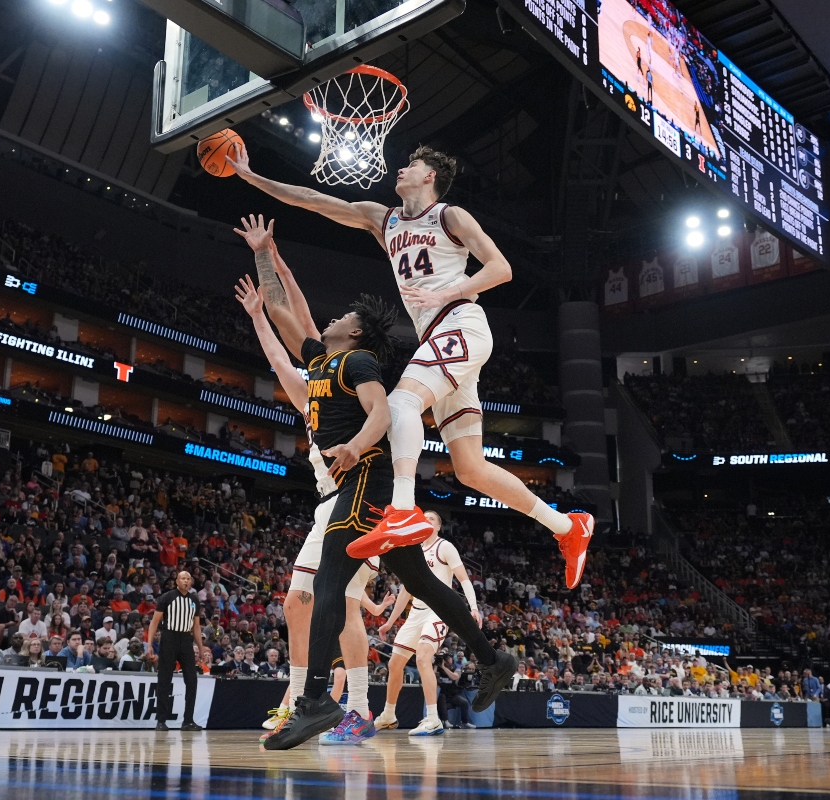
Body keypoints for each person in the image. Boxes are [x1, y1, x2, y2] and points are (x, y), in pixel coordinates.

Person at [227, 145, 593, 589]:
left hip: (460, 323)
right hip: (440, 337)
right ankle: (568, 528)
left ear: (430, 177)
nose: (401, 168)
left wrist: (449, 292)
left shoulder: (449, 216)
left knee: (400, 402)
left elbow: (501, 269)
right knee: (470, 469)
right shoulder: (384, 219)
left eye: (411, 165)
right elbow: (312, 199)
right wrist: (250, 177)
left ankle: (401, 511)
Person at [233, 233, 515, 751]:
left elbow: (383, 414)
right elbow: (279, 307)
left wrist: (354, 447)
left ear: (357, 332)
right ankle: (493, 659)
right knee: (423, 583)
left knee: (328, 586)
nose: (330, 319)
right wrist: (262, 251)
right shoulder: (320, 359)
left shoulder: (360, 364)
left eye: (342, 316)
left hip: (366, 478)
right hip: (362, 483)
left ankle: (315, 700)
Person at [235, 261, 382, 738]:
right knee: (320, 605)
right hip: (338, 501)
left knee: (322, 603)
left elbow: (299, 323)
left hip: (354, 496)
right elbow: (283, 356)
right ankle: (328, 705)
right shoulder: (311, 391)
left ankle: (332, 704)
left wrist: (275, 262)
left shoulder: (342, 378)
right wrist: (258, 313)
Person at [375, 510, 481, 735]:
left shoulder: (445, 547)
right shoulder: (414, 551)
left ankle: (433, 718)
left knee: (423, 657)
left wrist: (473, 607)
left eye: (432, 518)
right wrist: (389, 623)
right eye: (424, 518)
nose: (427, 520)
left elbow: (464, 579)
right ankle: (389, 714)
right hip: (415, 613)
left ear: (438, 526)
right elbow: (406, 590)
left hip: (438, 610)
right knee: (394, 664)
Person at [146, 570, 204, 731]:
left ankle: (188, 720)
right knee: (164, 680)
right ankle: (161, 720)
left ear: (191, 582)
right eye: (183, 578)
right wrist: (149, 644)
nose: (186, 581)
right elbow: (154, 622)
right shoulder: (167, 597)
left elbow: (197, 627)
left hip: (186, 640)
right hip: (169, 638)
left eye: (188, 578)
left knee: (192, 680)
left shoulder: (194, 600)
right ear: (177, 581)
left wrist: (201, 648)